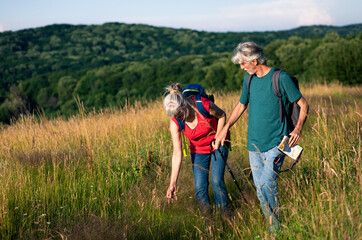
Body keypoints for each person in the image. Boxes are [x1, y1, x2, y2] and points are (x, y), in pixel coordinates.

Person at [215, 41, 309, 233]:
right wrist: (225, 128)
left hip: (277, 143)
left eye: (243, 63)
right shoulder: (248, 80)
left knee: (267, 185)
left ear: (254, 60)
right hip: (254, 146)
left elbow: (303, 104)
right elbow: (241, 106)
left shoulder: (280, 78)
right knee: (260, 190)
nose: (241, 67)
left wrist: (297, 129)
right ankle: (274, 225)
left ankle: (277, 232)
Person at [163, 83, 231, 215]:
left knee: (217, 181)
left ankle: (226, 217)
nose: (176, 117)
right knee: (200, 187)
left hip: (218, 142)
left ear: (184, 104)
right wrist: (172, 183)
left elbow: (222, 115)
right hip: (198, 150)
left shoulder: (203, 104)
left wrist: (217, 138)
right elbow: (177, 153)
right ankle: (208, 222)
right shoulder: (175, 122)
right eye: (173, 115)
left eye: (178, 113)